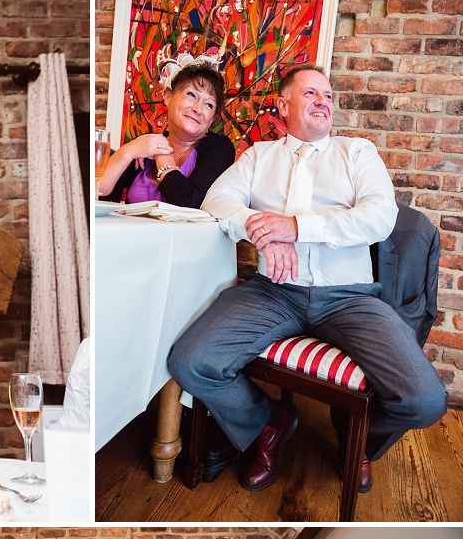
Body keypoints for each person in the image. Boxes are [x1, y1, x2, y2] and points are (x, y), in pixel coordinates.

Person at [169, 65, 446, 493]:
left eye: (328, 96)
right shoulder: (258, 156)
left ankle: (356, 439)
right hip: (273, 293)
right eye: (312, 93)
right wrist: (262, 228)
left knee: (425, 400)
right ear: (283, 106)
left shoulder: (357, 153)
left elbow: (379, 218)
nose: (323, 102)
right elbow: (216, 201)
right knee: (190, 362)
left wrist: (296, 228)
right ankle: (269, 423)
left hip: (350, 298)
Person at [97, 59, 234, 209]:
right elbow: (99, 193)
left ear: (211, 119)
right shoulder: (145, 144)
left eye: (209, 105)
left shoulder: (220, 148)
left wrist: (162, 155)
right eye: (192, 94)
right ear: (168, 96)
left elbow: (189, 202)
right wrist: (128, 151)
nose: (198, 109)